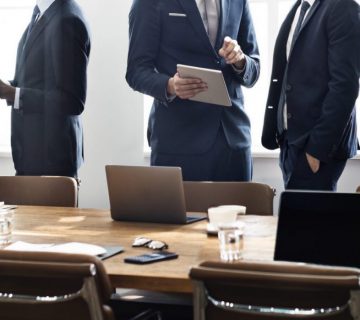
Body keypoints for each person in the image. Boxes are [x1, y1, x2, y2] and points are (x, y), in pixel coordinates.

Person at [126, 0, 260, 181]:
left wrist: (240, 60)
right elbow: (136, 71)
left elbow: (254, 69)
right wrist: (170, 85)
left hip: (233, 141)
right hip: (178, 142)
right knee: (177, 211)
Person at [262, 0, 359, 191]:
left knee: (310, 220)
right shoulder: (300, 6)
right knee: (298, 219)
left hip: (315, 146)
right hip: (291, 141)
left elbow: (345, 86)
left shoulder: (343, 6)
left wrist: (317, 148)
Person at [0, 0, 91, 178]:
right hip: (33, 159)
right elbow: (39, 80)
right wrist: (8, 88)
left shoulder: (67, 19)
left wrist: (14, 93)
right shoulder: (43, 12)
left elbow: (72, 100)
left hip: (50, 164)